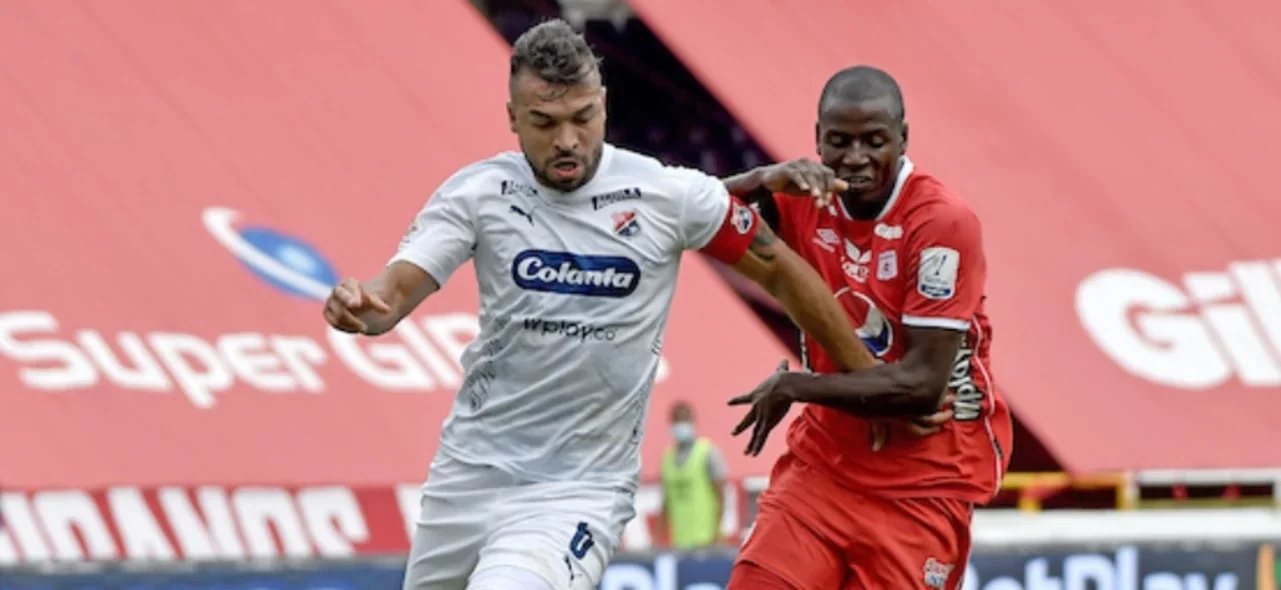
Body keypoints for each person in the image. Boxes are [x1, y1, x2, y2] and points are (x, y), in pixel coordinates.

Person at [322, 20, 886, 590]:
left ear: (605, 108)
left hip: (577, 490)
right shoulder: (478, 194)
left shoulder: (667, 196)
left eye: (582, 118)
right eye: (544, 123)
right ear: (513, 117)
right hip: (466, 477)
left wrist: (870, 383)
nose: (567, 140)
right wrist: (362, 306)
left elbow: (786, 276)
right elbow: (390, 298)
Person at [721, 65, 1014, 589]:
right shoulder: (800, 196)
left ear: (903, 139)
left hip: (923, 479)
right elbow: (686, 216)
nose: (855, 159)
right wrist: (760, 178)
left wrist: (796, 386)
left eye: (874, 142)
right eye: (839, 142)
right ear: (816, 139)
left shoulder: (940, 221)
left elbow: (921, 387)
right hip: (826, 466)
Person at [657, 400, 728, 549]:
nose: (680, 425)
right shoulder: (667, 458)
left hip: (706, 541)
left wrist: (717, 534)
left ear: (692, 422)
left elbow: (721, 496)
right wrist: (658, 538)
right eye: (676, 420)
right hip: (679, 542)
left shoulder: (708, 453)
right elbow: (666, 503)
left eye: (684, 420)